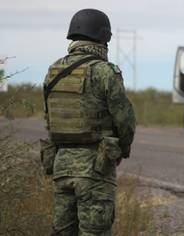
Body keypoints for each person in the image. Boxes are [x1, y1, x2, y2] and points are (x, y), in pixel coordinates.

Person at [40, 9, 136, 235]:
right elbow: (125, 119)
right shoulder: (105, 72)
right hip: (96, 167)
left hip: (61, 165)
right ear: (104, 37)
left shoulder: (53, 71)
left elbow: (49, 119)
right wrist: (123, 149)